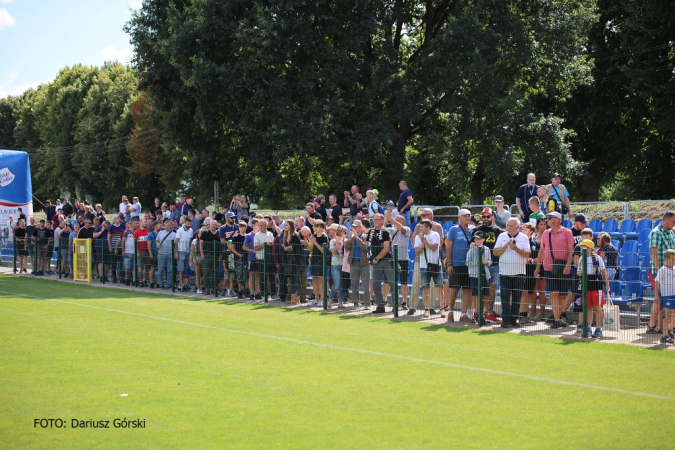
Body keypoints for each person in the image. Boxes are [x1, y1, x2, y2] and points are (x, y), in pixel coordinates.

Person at [534, 211, 574, 329]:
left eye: (550, 218)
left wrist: (568, 265)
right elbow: (542, 250)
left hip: (563, 268)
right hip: (548, 268)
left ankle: (559, 317)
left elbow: (571, 250)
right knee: (553, 294)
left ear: (557, 220)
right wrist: (538, 267)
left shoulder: (567, 232)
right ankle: (557, 320)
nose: (547, 220)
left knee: (561, 295)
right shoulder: (546, 233)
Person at [493, 218, 530, 327]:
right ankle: (505, 320)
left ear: (518, 227)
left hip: (519, 273)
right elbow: (495, 252)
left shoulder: (523, 238)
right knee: (504, 297)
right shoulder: (501, 236)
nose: (508, 227)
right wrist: (504, 247)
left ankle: (514, 320)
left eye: (511, 226)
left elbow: (527, 254)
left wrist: (516, 248)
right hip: (504, 273)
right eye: (507, 225)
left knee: (516, 297)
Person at [471, 208, 503, 322]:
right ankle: (478, 313)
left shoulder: (499, 231)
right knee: (480, 289)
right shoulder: (476, 230)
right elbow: (471, 245)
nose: (485, 219)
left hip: (494, 264)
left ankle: (489, 313)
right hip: (479, 266)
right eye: (483, 216)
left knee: (492, 288)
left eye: (488, 216)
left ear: (492, 217)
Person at [647, 211, 675, 333]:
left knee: (667, 299)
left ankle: (664, 326)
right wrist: (660, 272)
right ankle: (652, 325)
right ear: (666, 219)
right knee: (658, 299)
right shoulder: (656, 233)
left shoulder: (671, 232)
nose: (674, 224)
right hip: (659, 271)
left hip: (671, 271)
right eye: (673, 221)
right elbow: (654, 253)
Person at [445, 209, 474, 322]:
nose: (467, 217)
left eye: (469, 215)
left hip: (470, 265)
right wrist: (450, 263)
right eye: (465, 216)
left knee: (467, 290)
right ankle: (450, 312)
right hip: (457, 264)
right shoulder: (453, 229)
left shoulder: (473, 229)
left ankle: (463, 314)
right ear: (459, 217)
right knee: (454, 289)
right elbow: (448, 248)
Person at [576, 239, 609, 338]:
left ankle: (599, 328)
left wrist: (607, 284)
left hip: (596, 285)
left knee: (597, 307)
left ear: (590, 248)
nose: (581, 249)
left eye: (584, 247)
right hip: (586, 285)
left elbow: (603, 272)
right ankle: (589, 327)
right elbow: (578, 272)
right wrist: (581, 273)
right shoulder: (582, 258)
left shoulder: (598, 258)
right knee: (588, 307)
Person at [415, 219, 442, 317]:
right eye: (420, 227)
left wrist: (424, 240)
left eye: (422, 227)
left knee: (439, 287)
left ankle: (442, 309)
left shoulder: (435, 235)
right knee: (425, 288)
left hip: (435, 264)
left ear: (428, 227)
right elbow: (417, 252)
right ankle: (426, 309)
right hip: (423, 266)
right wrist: (422, 243)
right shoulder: (418, 237)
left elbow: (434, 248)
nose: (420, 228)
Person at [367, 213, 394, 314]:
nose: (375, 222)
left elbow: (386, 248)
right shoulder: (371, 232)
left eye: (377, 220)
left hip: (386, 260)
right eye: (374, 220)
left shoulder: (386, 232)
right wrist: (370, 257)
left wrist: (376, 258)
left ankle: (395, 305)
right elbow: (368, 246)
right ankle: (380, 306)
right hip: (375, 262)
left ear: (382, 221)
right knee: (376, 284)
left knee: (392, 283)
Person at [385, 212, 411, 309]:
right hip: (392, 259)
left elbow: (401, 228)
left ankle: (404, 302)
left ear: (401, 221)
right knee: (388, 281)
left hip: (403, 259)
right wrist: (386, 219)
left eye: (396, 219)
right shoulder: (391, 230)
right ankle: (385, 300)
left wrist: (390, 218)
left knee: (404, 281)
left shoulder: (407, 229)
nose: (394, 221)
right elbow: (382, 230)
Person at [466, 231, 491, 321]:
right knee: (476, 295)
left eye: (479, 238)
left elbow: (490, 261)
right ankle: (476, 314)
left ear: (483, 239)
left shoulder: (487, 249)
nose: (476, 240)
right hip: (474, 274)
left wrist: (486, 262)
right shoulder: (471, 249)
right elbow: (467, 262)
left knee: (486, 295)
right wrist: (478, 262)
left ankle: (480, 312)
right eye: (475, 238)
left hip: (484, 273)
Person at [345, 220, 370, 309]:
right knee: (354, 284)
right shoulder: (351, 237)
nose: (354, 229)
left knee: (366, 284)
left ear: (360, 227)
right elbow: (347, 248)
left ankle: (367, 304)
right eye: (353, 227)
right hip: (354, 263)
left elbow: (364, 247)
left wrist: (357, 237)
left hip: (364, 263)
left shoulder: (366, 236)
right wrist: (349, 239)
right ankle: (356, 303)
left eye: (356, 227)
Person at [655, 249, 675, 344]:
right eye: (673, 259)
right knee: (668, 315)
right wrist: (656, 295)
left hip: (673, 295)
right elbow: (656, 281)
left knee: (672, 315)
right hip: (667, 295)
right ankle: (664, 335)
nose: (674, 261)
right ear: (666, 259)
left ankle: (669, 331)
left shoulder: (674, 269)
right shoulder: (663, 270)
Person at [308, 220, 328, 306]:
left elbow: (323, 250)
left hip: (321, 260)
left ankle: (322, 299)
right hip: (314, 259)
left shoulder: (324, 237)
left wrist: (315, 242)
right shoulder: (314, 236)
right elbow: (311, 249)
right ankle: (316, 299)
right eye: (314, 226)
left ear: (321, 228)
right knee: (314, 279)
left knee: (321, 280)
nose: (314, 228)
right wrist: (311, 242)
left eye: (316, 226)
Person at [254, 218, 274, 298]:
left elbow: (273, 245)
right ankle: (263, 293)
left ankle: (273, 293)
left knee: (271, 276)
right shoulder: (257, 235)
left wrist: (271, 244)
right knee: (263, 276)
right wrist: (265, 244)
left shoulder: (270, 234)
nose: (260, 226)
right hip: (261, 258)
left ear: (266, 225)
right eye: (259, 225)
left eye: (262, 225)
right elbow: (255, 248)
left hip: (269, 258)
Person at [229, 222, 250, 298]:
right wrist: (239, 255)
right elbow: (231, 248)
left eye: (244, 227)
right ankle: (240, 291)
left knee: (247, 275)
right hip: (239, 259)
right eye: (241, 227)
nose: (242, 228)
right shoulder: (236, 237)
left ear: (246, 227)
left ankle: (247, 291)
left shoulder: (248, 236)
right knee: (240, 275)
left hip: (248, 257)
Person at [328, 224, 347, 308]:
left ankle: (340, 302)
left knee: (343, 284)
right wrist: (338, 243)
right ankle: (330, 299)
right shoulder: (332, 241)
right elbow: (333, 252)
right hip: (335, 265)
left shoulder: (346, 241)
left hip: (344, 265)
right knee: (337, 283)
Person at [200, 220, 220, 295]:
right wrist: (202, 253)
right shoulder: (205, 233)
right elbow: (201, 244)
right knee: (206, 272)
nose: (213, 226)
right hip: (206, 255)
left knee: (214, 273)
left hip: (215, 255)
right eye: (212, 224)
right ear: (209, 225)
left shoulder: (218, 233)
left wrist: (220, 255)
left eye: (215, 224)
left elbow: (220, 245)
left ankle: (214, 288)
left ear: (216, 226)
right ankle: (207, 288)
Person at [175, 217, 194, 292]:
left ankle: (183, 283)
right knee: (180, 269)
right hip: (180, 250)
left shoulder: (191, 230)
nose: (189, 225)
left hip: (187, 251)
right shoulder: (180, 230)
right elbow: (176, 242)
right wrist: (176, 252)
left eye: (190, 224)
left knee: (185, 268)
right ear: (185, 222)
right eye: (188, 224)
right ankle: (180, 284)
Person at [132, 218, 151, 287]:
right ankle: (140, 280)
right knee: (140, 266)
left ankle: (144, 280)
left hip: (147, 251)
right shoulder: (137, 232)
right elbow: (135, 243)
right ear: (140, 223)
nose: (145, 223)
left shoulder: (148, 231)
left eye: (146, 222)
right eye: (144, 222)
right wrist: (137, 252)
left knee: (146, 267)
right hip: (140, 251)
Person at [107, 215, 126, 283]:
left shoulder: (123, 226)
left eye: (119, 218)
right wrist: (110, 246)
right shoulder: (111, 227)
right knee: (114, 263)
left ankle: (121, 277)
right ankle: (114, 277)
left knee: (122, 262)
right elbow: (108, 237)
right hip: (113, 246)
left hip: (121, 247)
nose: (119, 219)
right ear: (114, 219)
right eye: (118, 218)